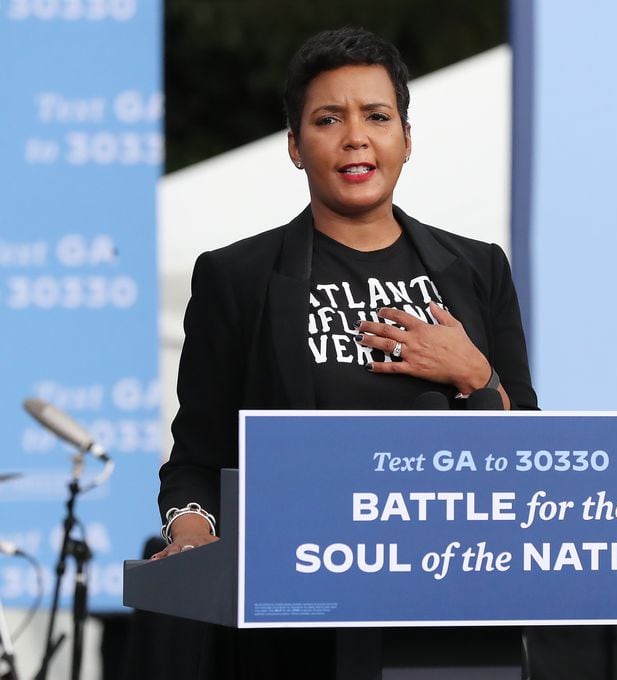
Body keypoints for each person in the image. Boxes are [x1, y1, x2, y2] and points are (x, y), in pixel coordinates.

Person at [151, 26, 537, 677]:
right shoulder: (236, 278)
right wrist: (192, 531)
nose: (355, 136)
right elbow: (197, 456)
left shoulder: (477, 269)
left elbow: (526, 455)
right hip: (295, 617)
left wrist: (474, 374)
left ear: (406, 141)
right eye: (328, 119)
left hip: (453, 614)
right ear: (297, 147)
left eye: (377, 116)